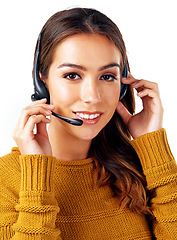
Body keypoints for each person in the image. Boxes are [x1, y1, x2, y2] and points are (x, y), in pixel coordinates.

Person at [0, 7, 176, 240]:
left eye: (107, 76)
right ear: (42, 81)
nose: (92, 96)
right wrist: (36, 180)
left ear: (123, 85)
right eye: (72, 75)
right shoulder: (6, 181)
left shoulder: (138, 167)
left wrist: (152, 145)